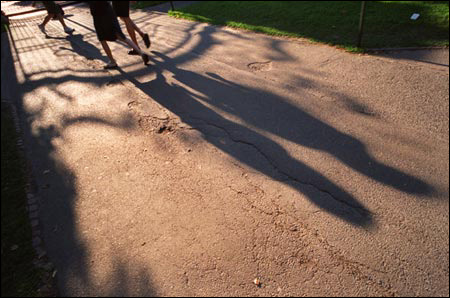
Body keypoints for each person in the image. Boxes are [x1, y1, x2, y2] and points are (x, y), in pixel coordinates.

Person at [88, 1, 149, 69]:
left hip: (98, 14)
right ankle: (141, 53)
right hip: (108, 10)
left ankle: (112, 61)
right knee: (121, 36)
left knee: (102, 39)